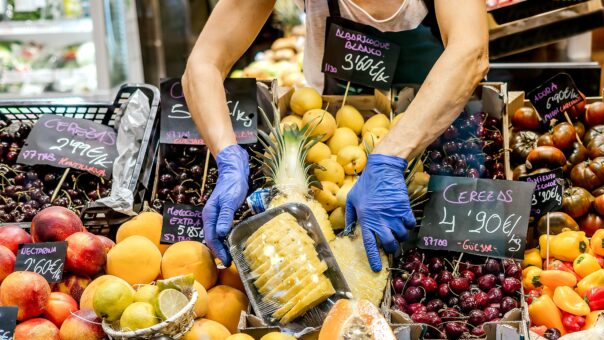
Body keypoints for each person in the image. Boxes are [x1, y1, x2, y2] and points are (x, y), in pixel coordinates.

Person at [183, 0, 489, 271]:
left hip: (444, 145)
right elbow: (203, 63)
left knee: (447, 268)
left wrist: (389, 157)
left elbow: (470, 51)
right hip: (331, 136)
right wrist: (228, 156)